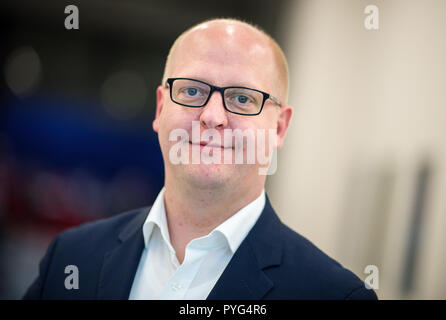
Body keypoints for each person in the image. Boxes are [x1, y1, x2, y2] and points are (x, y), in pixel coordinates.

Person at [23, 18, 377, 300]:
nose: (212, 116)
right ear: (162, 108)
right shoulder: (71, 257)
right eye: (192, 90)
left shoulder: (331, 294)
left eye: (242, 98)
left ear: (279, 127)